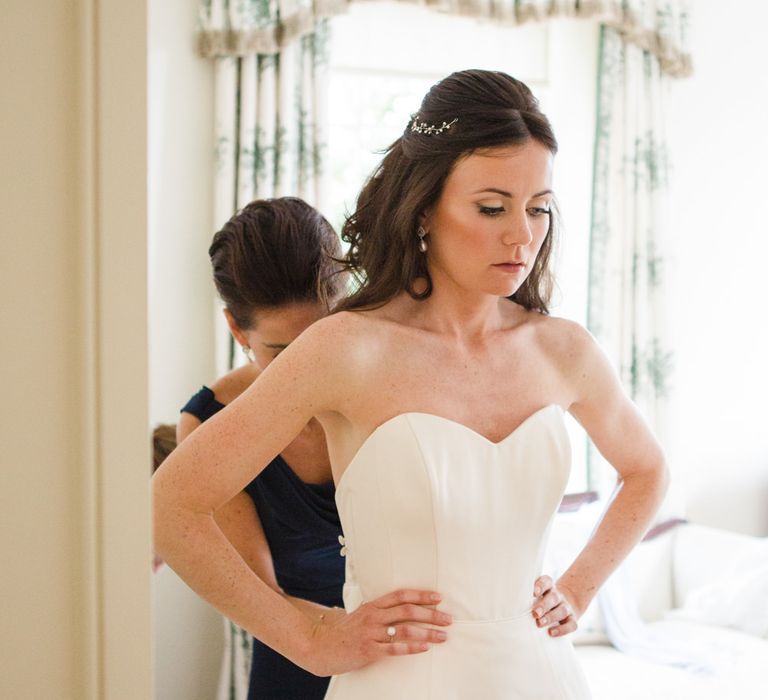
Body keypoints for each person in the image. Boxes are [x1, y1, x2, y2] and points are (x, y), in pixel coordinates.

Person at [153, 70, 668, 698]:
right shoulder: (345, 349)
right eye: (491, 207)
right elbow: (171, 505)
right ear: (424, 208)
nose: (522, 235)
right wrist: (308, 636)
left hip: (541, 677)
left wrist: (579, 587)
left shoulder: (563, 349)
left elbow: (646, 470)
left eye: (538, 208)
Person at [174, 197, 350, 699]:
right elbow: (260, 596)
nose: (307, 371)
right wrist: (350, 636)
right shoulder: (207, 425)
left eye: (323, 338)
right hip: (296, 659)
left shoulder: (390, 380)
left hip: (418, 654)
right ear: (236, 329)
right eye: (283, 353)